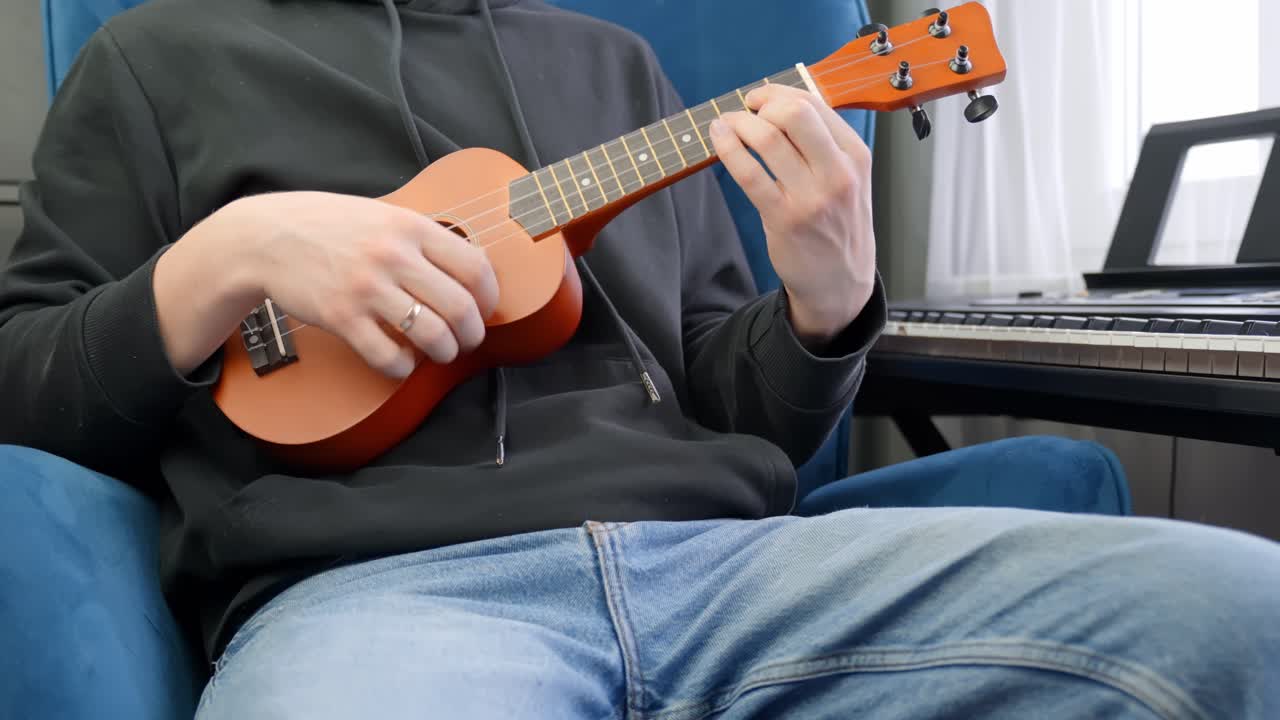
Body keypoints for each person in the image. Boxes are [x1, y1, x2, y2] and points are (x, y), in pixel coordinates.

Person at [0, 0, 1276, 717]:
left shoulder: (618, 69)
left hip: (737, 570)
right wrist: (220, 261)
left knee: (1238, 610)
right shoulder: (156, 61)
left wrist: (829, 303)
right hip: (380, 597)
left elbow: (736, 399)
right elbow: (24, 380)